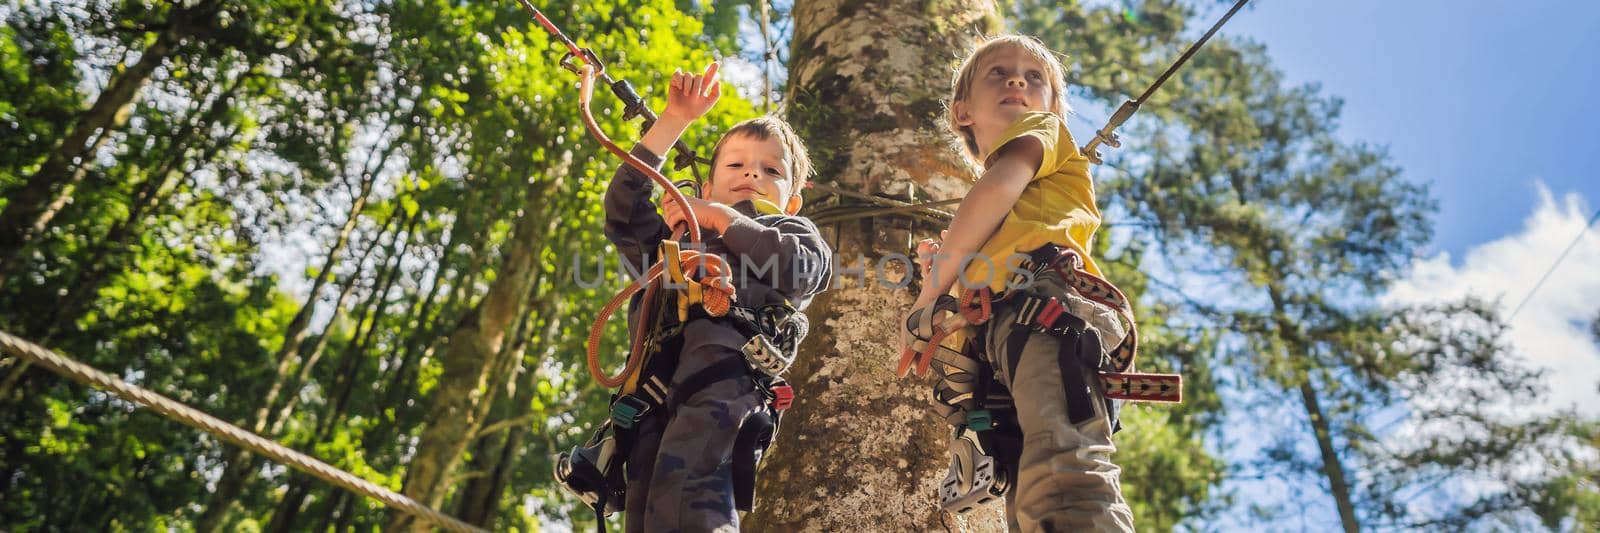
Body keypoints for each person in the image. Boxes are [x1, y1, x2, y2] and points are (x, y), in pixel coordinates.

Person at [900, 35, 1137, 532]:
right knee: (1036, 494)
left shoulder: (1042, 132)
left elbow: (997, 186)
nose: (1017, 80)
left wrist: (932, 293)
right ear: (962, 111)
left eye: (1035, 79)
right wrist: (953, 282)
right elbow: (993, 211)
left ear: (1054, 108)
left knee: (1063, 473)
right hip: (1011, 336)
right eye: (999, 72)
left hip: (1047, 313)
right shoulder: (1012, 210)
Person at [602, 62, 832, 532]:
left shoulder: (787, 230)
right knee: (647, 515)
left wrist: (724, 219)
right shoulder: (676, 239)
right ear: (706, 187)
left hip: (726, 383)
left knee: (691, 498)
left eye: (771, 170)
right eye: (736, 164)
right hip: (651, 399)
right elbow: (624, 210)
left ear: (791, 201)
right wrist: (673, 122)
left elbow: (802, 269)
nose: (752, 173)